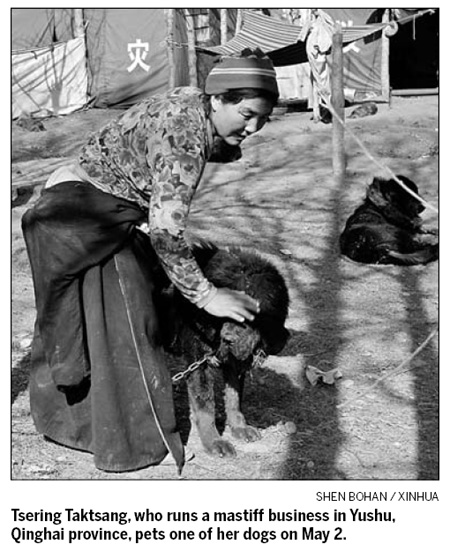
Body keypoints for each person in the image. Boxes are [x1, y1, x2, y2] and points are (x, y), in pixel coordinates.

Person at [21, 49, 279, 473]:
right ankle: (131, 443)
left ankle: (66, 424)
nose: (253, 128)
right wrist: (206, 294)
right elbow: (165, 229)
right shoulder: (185, 138)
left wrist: (227, 144)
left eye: (263, 119)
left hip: (79, 206)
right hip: (78, 217)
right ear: (217, 99)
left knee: (87, 323)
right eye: (247, 114)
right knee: (129, 325)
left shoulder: (192, 102)